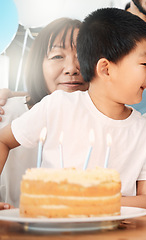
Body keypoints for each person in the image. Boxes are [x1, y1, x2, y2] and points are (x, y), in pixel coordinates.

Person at [0, 8, 146, 213]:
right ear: (105, 69)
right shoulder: (58, 105)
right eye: (144, 63)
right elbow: (3, 139)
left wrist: (85, 200)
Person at [0, 18, 88, 210]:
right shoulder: (7, 114)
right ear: (37, 64)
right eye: (57, 56)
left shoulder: (107, 121)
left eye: (82, 55)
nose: (72, 69)